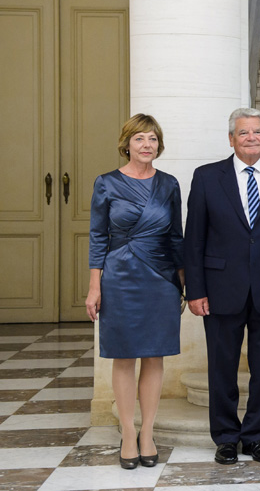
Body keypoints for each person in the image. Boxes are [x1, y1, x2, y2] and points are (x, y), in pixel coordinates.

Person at [184, 108, 260, 465]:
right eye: (243, 133)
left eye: (257, 132)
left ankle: (256, 436)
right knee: (222, 366)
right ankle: (225, 437)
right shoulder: (207, 177)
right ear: (231, 139)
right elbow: (194, 239)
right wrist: (195, 290)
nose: (251, 138)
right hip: (220, 288)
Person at [87, 114, 183, 470]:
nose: (147, 145)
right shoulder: (107, 183)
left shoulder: (170, 184)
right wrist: (94, 287)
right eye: (140, 139)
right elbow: (98, 237)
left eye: (153, 139)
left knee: (154, 356)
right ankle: (128, 432)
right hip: (120, 276)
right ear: (127, 143)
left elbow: (177, 237)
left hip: (160, 278)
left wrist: (184, 284)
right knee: (124, 356)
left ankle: (148, 433)